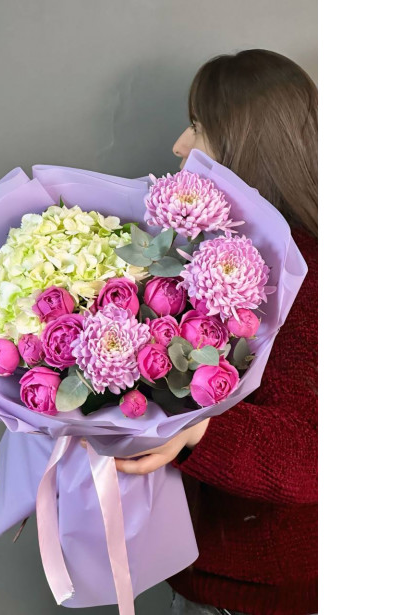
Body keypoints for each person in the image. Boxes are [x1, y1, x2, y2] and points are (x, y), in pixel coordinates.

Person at [115, 50, 318, 615]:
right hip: (203, 572)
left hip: (269, 594)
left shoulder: (312, 276)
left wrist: (200, 431)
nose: (180, 144)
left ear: (246, 142)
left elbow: (319, 451)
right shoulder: (213, 254)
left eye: (199, 126)